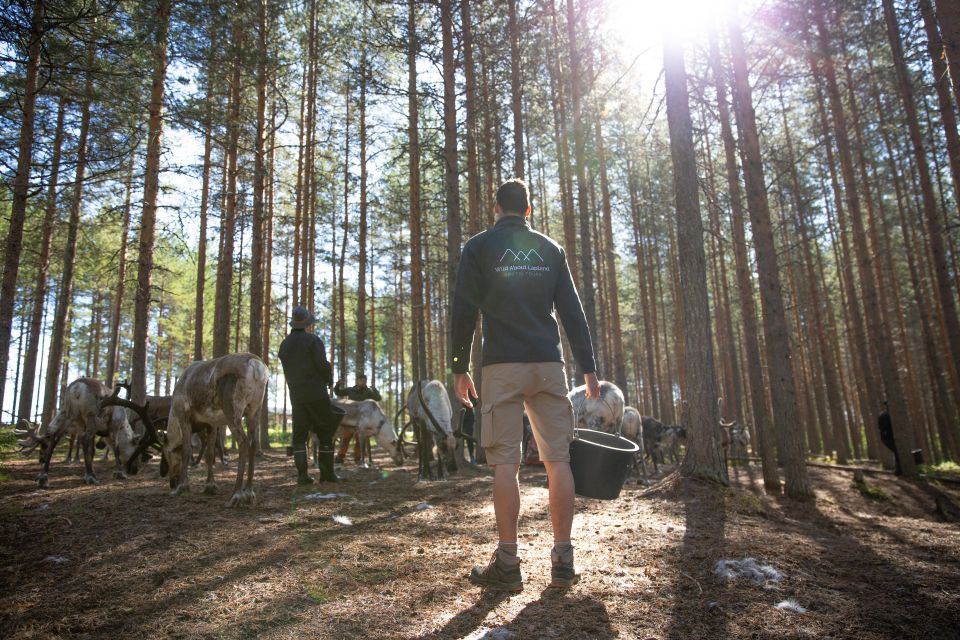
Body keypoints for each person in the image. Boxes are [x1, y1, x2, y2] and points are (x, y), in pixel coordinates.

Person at [450, 178, 600, 592]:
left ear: (496, 208)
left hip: (501, 366)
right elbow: (572, 309)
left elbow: (463, 307)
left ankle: (508, 563)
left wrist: (458, 366)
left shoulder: (479, 247)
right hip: (549, 364)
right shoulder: (550, 249)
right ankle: (564, 560)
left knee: (505, 463)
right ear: (529, 211)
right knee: (558, 460)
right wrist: (588, 368)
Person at [278, 306, 343, 484]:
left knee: (299, 436)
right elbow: (322, 365)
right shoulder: (313, 341)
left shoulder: (285, 344)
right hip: (317, 395)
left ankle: (302, 476)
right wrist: (328, 378)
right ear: (307, 323)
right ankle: (327, 474)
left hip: (297, 397)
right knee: (325, 432)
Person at [333, 374, 382, 464]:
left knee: (359, 440)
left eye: (364, 381)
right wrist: (337, 385)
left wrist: (375, 390)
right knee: (346, 438)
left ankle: (358, 458)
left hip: (362, 420)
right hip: (350, 418)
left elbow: (378, 398)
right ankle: (340, 458)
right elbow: (338, 392)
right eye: (360, 380)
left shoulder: (368, 392)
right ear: (357, 381)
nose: (362, 382)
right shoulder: (351, 390)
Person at [878, 400, 902, 476]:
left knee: (896, 452)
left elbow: (879, 427)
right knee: (898, 452)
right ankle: (899, 471)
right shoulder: (889, 415)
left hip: (884, 438)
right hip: (889, 437)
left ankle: (898, 470)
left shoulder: (882, 414)